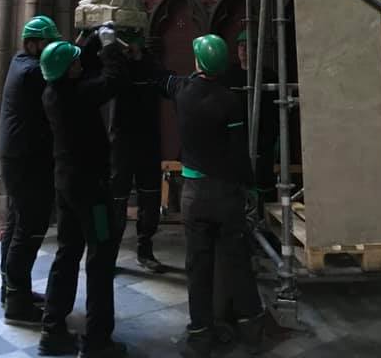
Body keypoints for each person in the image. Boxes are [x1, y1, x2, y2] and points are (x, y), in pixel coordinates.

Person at [160, 35, 264, 357]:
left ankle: (201, 333)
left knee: (198, 266)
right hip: (225, 194)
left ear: (198, 63)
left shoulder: (182, 92)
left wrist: (127, 49)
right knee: (237, 261)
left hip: (194, 195)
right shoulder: (230, 101)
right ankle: (252, 327)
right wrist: (251, 186)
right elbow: (238, 153)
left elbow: (159, 77)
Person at [38, 36, 129, 358]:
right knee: (101, 258)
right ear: (68, 71)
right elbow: (112, 80)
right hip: (93, 191)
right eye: (75, 62)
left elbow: (82, 71)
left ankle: (52, 330)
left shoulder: (53, 91)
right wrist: (108, 46)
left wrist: (86, 42)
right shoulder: (80, 94)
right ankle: (97, 341)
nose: (80, 64)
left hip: (66, 185)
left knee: (67, 252)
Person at [0, 15, 59, 325]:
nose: (50, 50)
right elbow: (60, 77)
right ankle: (18, 303)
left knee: (16, 223)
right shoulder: (32, 71)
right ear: (34, 43)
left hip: (17, 157)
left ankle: (11, 290)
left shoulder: (21, 62)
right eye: (48, 43)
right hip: (27, 160)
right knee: (28, 228)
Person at [103, 24, 169, 273]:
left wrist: (141, 58)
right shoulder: (116, 67)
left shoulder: (151, 64)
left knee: (150, 197)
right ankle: (110, 252)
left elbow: (163, 81)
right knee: (117, 198)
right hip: (121, 141)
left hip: (148, 141)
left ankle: (145, 249)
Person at [222, 31, 279, 212]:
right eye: (240, 45)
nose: (244, 49)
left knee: (263, 188)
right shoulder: (228, 76)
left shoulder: (268, 76)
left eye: (248, 45)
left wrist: (267, 141)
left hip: (262, 143)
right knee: (236, 190)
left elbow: (273, 115)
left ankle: (264, 228)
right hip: (236, 142)